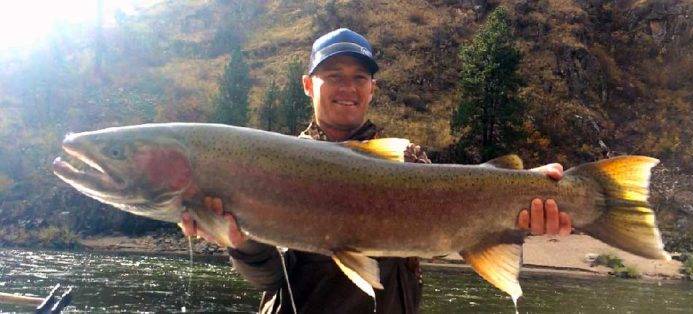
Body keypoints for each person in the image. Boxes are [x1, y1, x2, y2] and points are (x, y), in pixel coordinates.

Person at [180, 28, 572, 313]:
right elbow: (271, 281)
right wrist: (243, 243)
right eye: (333, 77)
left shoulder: (407, 160)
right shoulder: (272, 167)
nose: (347, 88)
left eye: (359, 78)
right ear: (307, 85)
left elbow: (461, 213)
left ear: (372, 89)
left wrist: (529, 196)